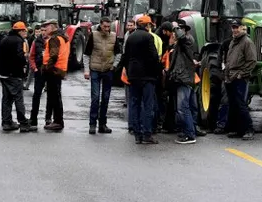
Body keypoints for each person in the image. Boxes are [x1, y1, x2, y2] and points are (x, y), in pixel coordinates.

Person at [125, 16, 160, 144]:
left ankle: (137, 134)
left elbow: (126, 57)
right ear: (147, 26)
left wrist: (128, 72)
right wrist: (157, 73)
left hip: (134, 76)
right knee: (147, 105)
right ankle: (147, 133)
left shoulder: (131, 37)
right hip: (147, 76)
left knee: (135, 104)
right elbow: (154, 57)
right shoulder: (148, 37)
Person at [0, 22, 34, 132]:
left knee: (6, 99)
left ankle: (6, 122)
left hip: (3, 74)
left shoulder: (4, 39)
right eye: (24, 31)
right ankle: (23, 123)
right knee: (18, 99)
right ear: (20, 31)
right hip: (15, 74)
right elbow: (19, 57)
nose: (26, 33)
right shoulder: (19, 41)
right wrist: (24, 63)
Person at [166, 23, 200, 144]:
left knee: (183, 108)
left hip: (184, 79)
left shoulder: (186, 41)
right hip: (184, 78)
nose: (174, 34)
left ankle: (189, 134)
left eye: (178, 31)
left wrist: (175, 26)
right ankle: (189, 132)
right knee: (187, 107)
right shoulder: (179, 45)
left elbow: (181, 37)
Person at [224, 20, 257, 140]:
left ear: (243, 28)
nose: (234, 30)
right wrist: (227, 75)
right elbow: (229, 60)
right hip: (230, 77)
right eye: (233, 27)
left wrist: (241, 74)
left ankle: (249, 129)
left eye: (237, 27)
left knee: (241, 104)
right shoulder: (233, 42)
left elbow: (252, 61)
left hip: (239, 78)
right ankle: (237, 129)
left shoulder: (247, 42)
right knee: (233, 104)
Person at [84, 16, 118, 135]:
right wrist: (86, 70)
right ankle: (92, 123)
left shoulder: (113, 36)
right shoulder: (93, 35)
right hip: (95, 69)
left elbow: (118, 53)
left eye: (108, 27)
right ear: (100, 25)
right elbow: (86, 54)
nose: (106, 29)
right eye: (104, 26)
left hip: (108, 70)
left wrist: (114, 65)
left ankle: (102, 124)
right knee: (95, 97)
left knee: (106, 98)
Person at [41, 19, 70, 131]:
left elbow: (53, 55)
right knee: (56, 96)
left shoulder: (54, 39)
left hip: (54, 71)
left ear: (53, 27)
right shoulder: (63, 38)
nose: (45, 30)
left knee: (54, 97)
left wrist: (47, 67)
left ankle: (58, 121)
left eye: (47, 27)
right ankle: (58, 120)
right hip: (60, 69)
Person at [28, 23, 47, 130]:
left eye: (45, 30)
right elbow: (31, 56)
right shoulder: (36, 41)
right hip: (39, 71)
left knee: (52, 96)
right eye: (42, 30)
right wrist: (34, 68)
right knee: (37, 95)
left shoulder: (52, 40)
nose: (43, 32)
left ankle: (48, 119)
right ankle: (33, 119)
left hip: (50, 71)